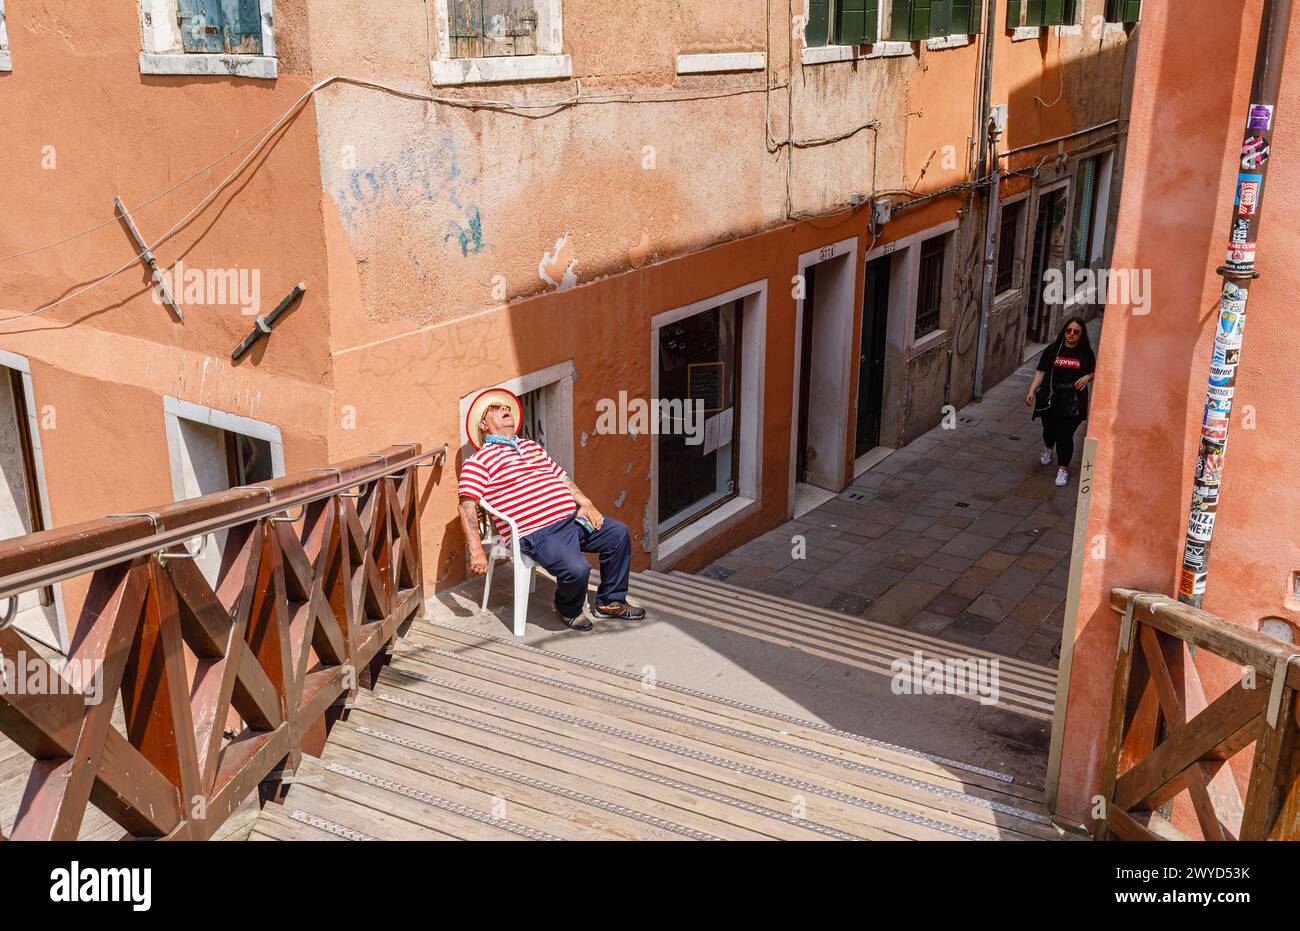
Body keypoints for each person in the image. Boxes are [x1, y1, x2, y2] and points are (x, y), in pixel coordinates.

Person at [457, 388, 646, 631]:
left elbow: (563, 479)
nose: (505, 410)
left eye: (507, 408)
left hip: (571, 520)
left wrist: (585, 503)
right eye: (496, 408)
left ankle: (610, 602)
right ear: (483, 424)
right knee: (578, 570)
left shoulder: (531, 447)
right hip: (538, 533)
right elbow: (467, 506)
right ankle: (567, 608)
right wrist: (476, 551)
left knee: (617, 534)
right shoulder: (478, 461)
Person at [1026, 316, 1096, 487]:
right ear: (1064, 331)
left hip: (1073, 400)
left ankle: (1063, 470)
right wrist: (1031, 390)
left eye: (1076, 332)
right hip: (1051, 397)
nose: (1071, 334)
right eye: (1068, 330)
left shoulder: (1085, 353)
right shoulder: (1052, 350)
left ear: (1081, 334)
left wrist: (1087, 377)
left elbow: (1095, 370)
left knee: (1065, 435)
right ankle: (1049, 447)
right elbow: (1041, 372)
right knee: (1049, 430)